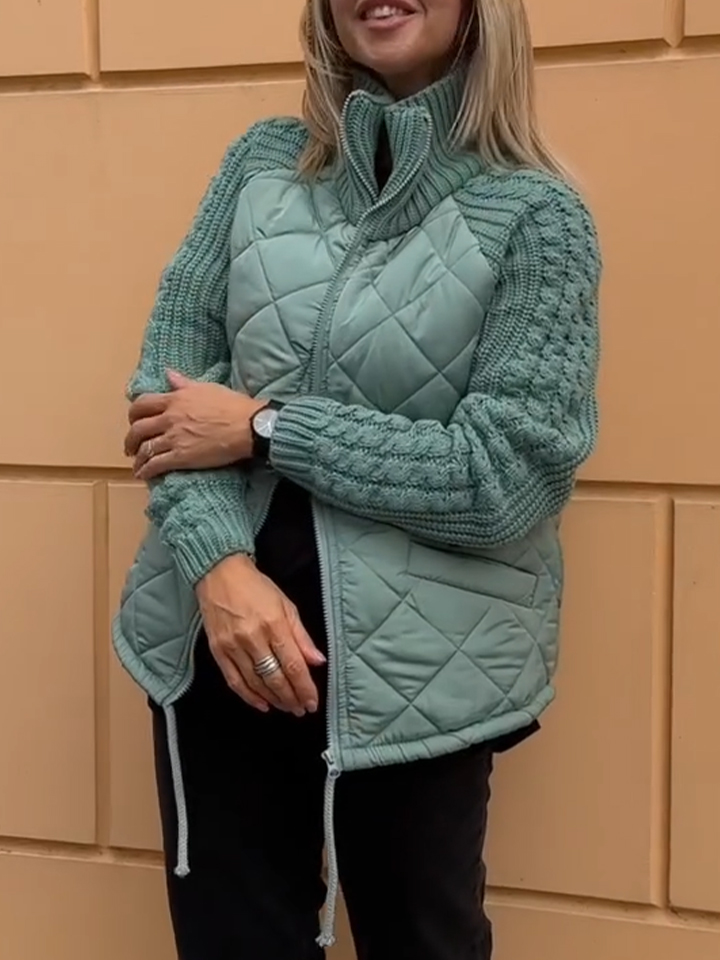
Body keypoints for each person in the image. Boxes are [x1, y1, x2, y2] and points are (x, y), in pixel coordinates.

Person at [114, 0, 601, 957]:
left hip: (427, 676)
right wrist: (218, 568)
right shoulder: (260, 165)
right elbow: (167, 395)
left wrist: (266, 427)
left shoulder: (537, 217)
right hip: (216, 642)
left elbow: (504, 476)